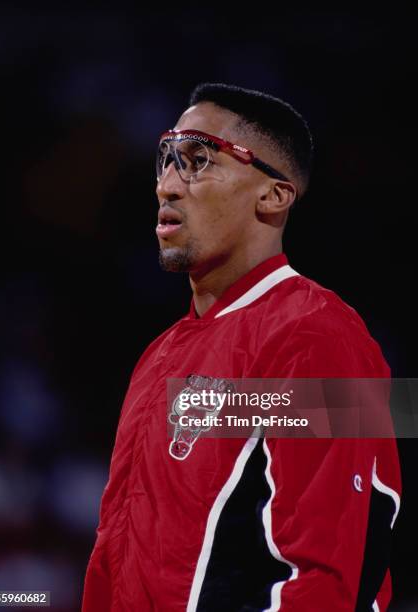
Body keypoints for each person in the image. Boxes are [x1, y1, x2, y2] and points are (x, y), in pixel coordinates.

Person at [82, 83, 401, 611]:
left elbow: (327, 576)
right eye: (165, 161)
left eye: (199, 161)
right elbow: (114, 563)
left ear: (274, 195)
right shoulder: (156, 358)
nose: (167, 186)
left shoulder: (317, 333)